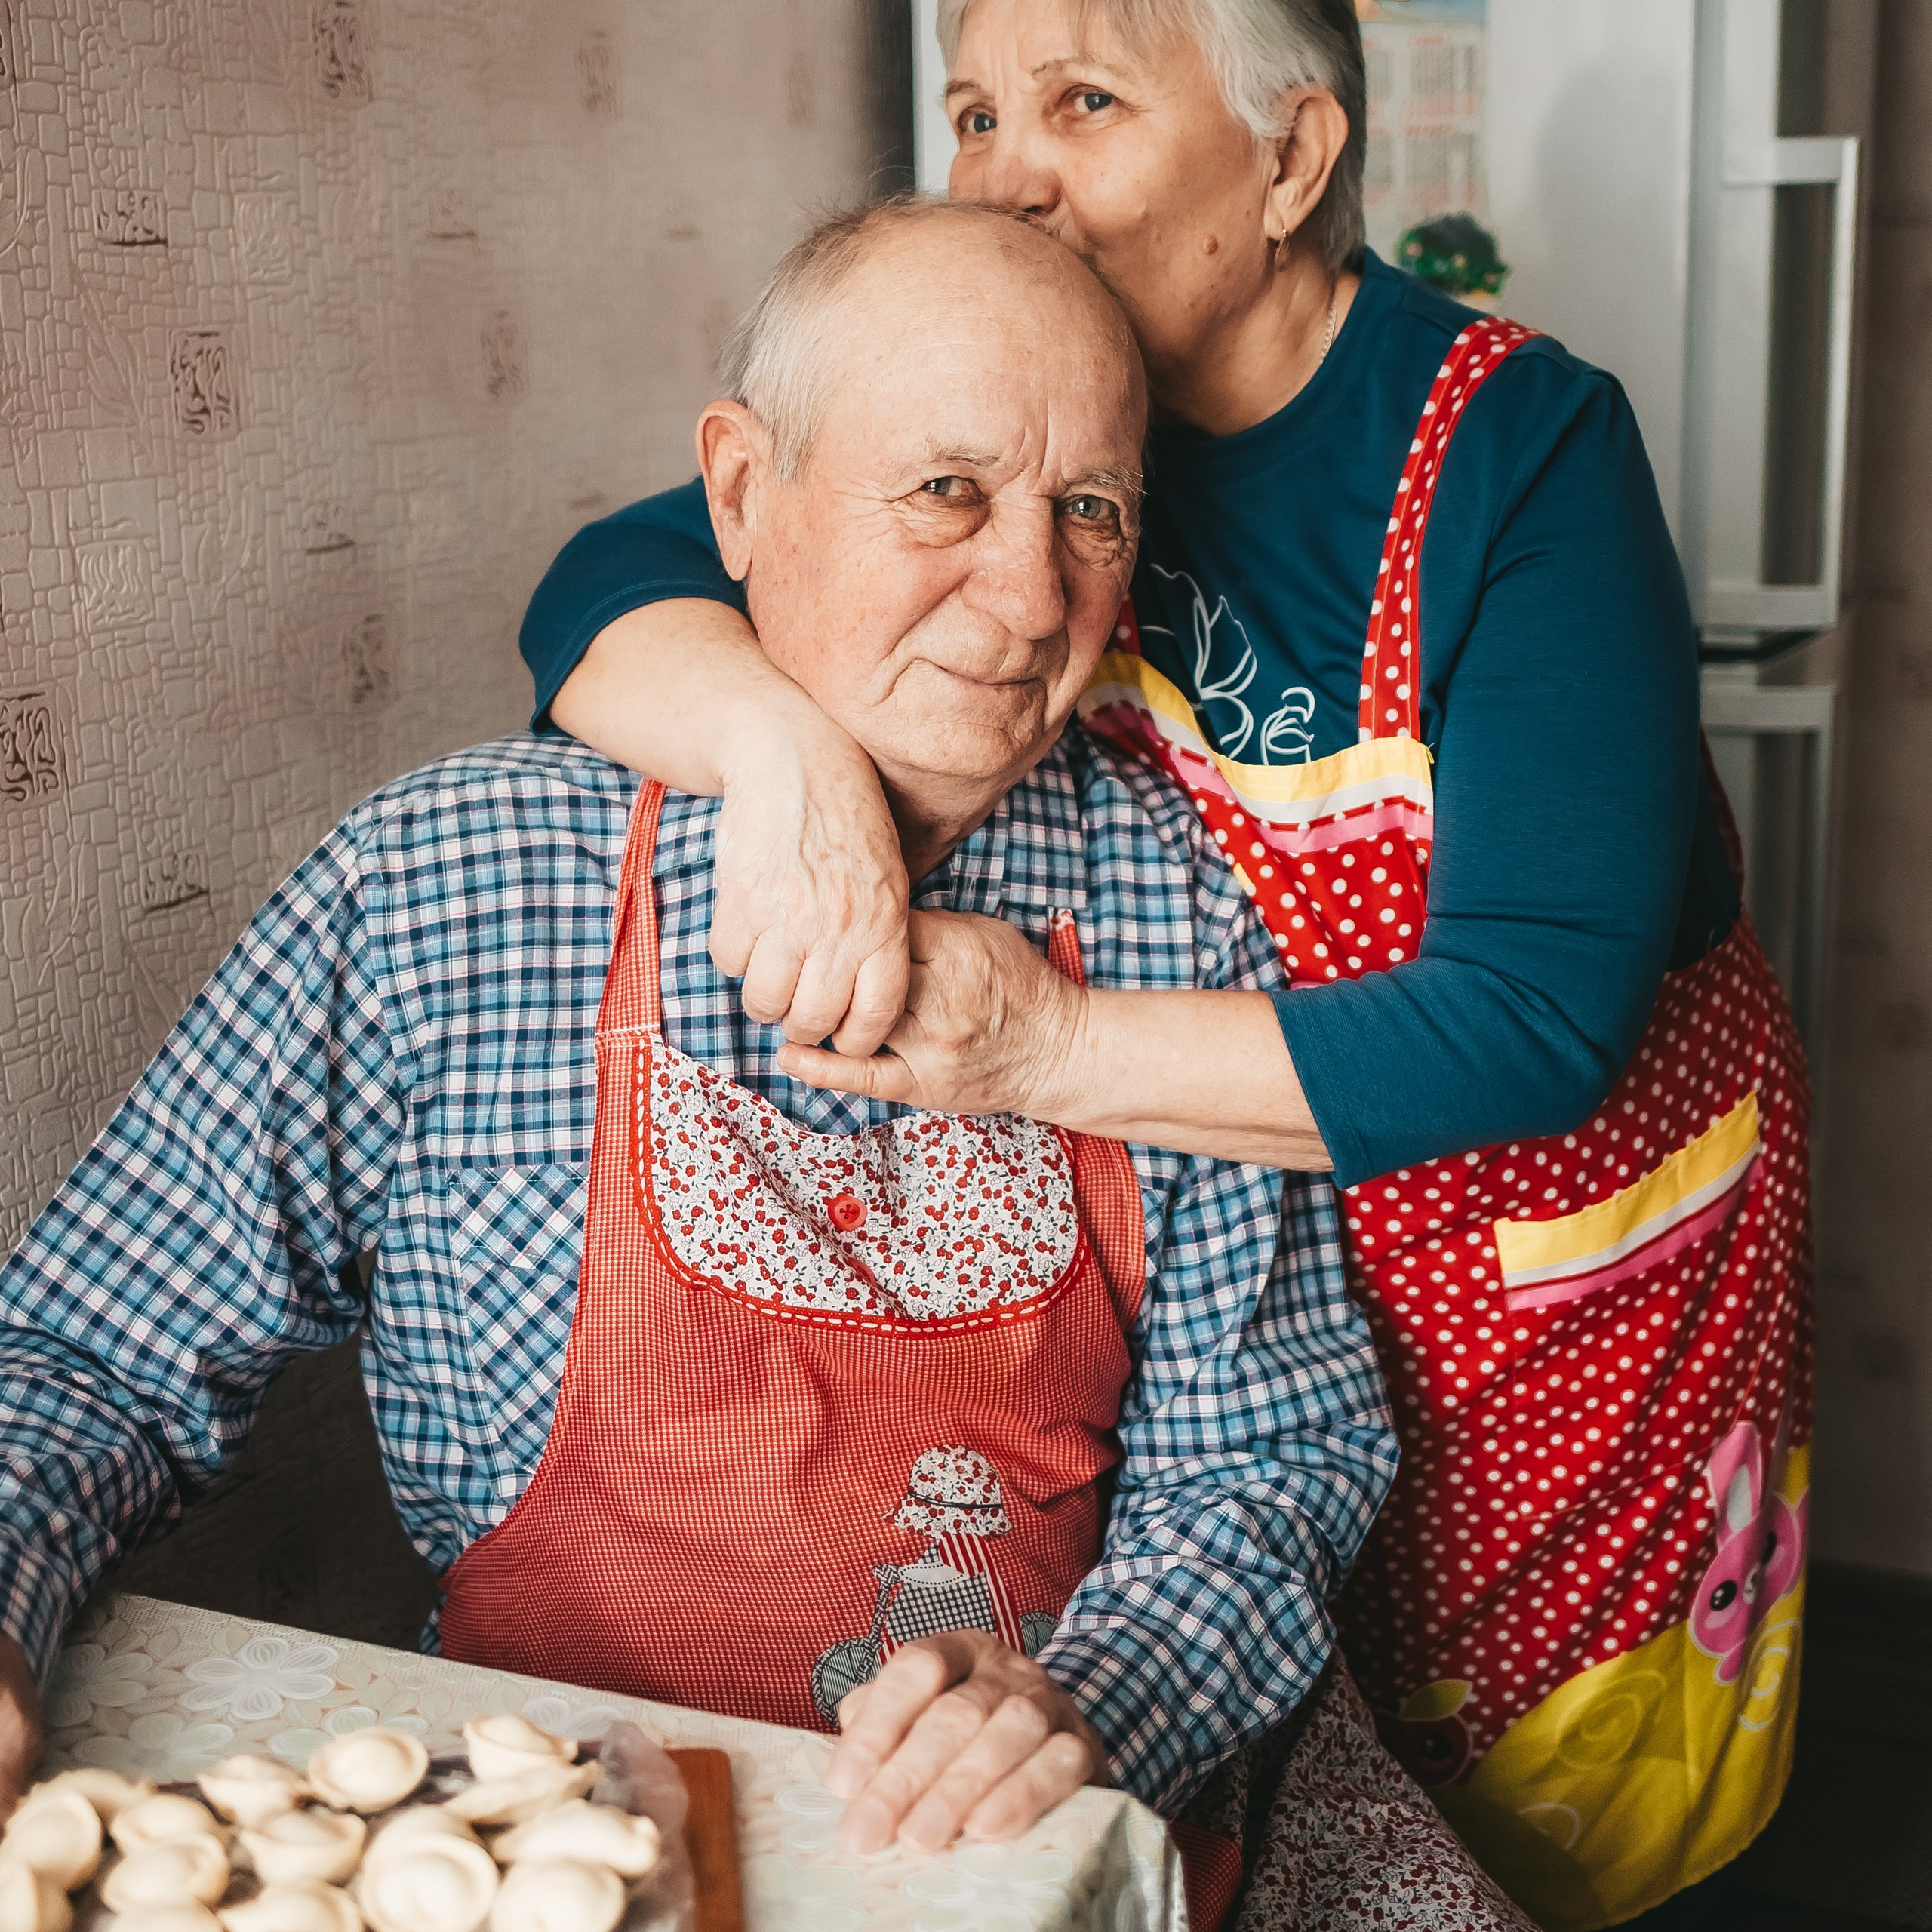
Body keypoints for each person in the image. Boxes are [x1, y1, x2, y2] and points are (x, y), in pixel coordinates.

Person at [0, 202, 1537, 1932]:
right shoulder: (451, 885)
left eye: (1087, 511)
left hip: (1021, 1842)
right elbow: (86, 1349)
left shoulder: (1180, 900)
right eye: (945, 491)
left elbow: (1266, 1451)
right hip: (577, 1834)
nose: (1032, 596)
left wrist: (1093, 1698)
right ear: (738, 493)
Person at [514, 5, 1814, 1929]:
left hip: (1541, 1330)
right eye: (971, 110)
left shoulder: (1512, 450)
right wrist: (778, 752)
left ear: (1288, 165)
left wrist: (1036, 1044)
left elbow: (1534, 1019)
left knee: (1560, 1847)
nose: (1002, 172)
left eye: (1084, 104)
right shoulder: (1052, 418)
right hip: (1231, 1336)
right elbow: (604, 589)